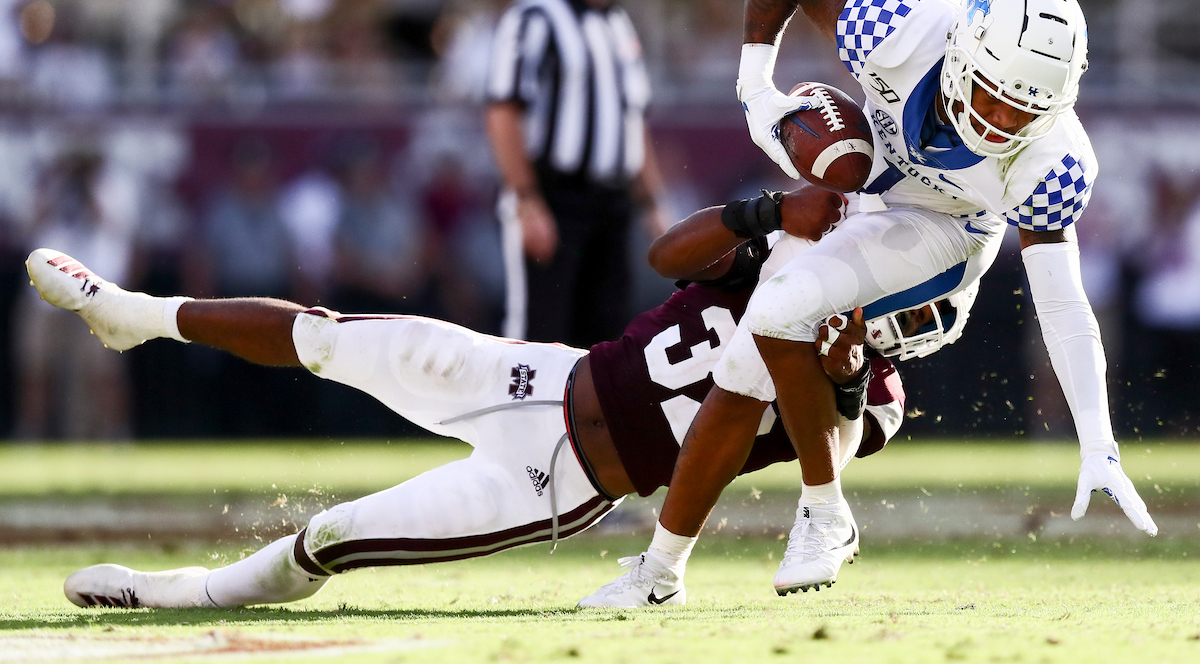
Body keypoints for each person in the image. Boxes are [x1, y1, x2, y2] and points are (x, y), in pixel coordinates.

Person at [581, 0, 1158, 607]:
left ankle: (824, 509)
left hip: (945, 229)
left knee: (789, 321)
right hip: (868, 188)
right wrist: (755, 87)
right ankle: (660, 574)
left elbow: (1062, 305)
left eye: (1026, 111)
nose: (1002, 123)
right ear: (962, 54)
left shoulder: (1051, 166)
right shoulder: (898, 25)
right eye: (994, 97)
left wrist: (1100, 444)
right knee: (749, 354)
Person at [29, 186, 942, 610]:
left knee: (333, 538)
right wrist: (767, 211)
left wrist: (851, 371)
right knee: (326, 334)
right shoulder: (795, 264)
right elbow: (665, 256)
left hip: (559, 482)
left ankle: (189, 594)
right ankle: (136, 313)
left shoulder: (878, 396)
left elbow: (835, 440)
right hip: (543, 377)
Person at [485, 0, 671, 348]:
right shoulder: (535, 15)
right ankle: (525, 425)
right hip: (554, 196)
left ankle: (582, 426)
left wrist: (653, 205)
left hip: (612, 204)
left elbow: (633, 120)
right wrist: (527, 199)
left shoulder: (615, 22)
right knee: (539, 339)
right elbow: (504, 111)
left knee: (605, 344)